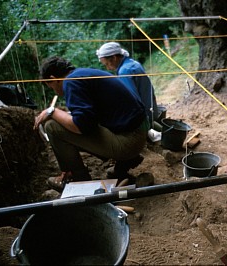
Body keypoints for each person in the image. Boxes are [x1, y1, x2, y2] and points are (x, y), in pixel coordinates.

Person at [33, 56, 149, 191]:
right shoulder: (82, 74)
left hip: (129, 142)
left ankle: (76, 179)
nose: (54, 91)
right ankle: (124, 163)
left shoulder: (71, 82)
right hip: (137, 133)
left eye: (51, 87)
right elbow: (90, 116)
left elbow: (82, 126)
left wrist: (52, 111)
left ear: (53, 79)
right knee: (67, 122)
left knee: (52, 127)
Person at [96, 42, 159, 127]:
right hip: (152, 110)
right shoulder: (133, 63)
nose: (108, 68)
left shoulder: (124, 71)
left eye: (107, 64)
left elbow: (133, 102)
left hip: (145, 119)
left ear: (114, 58)